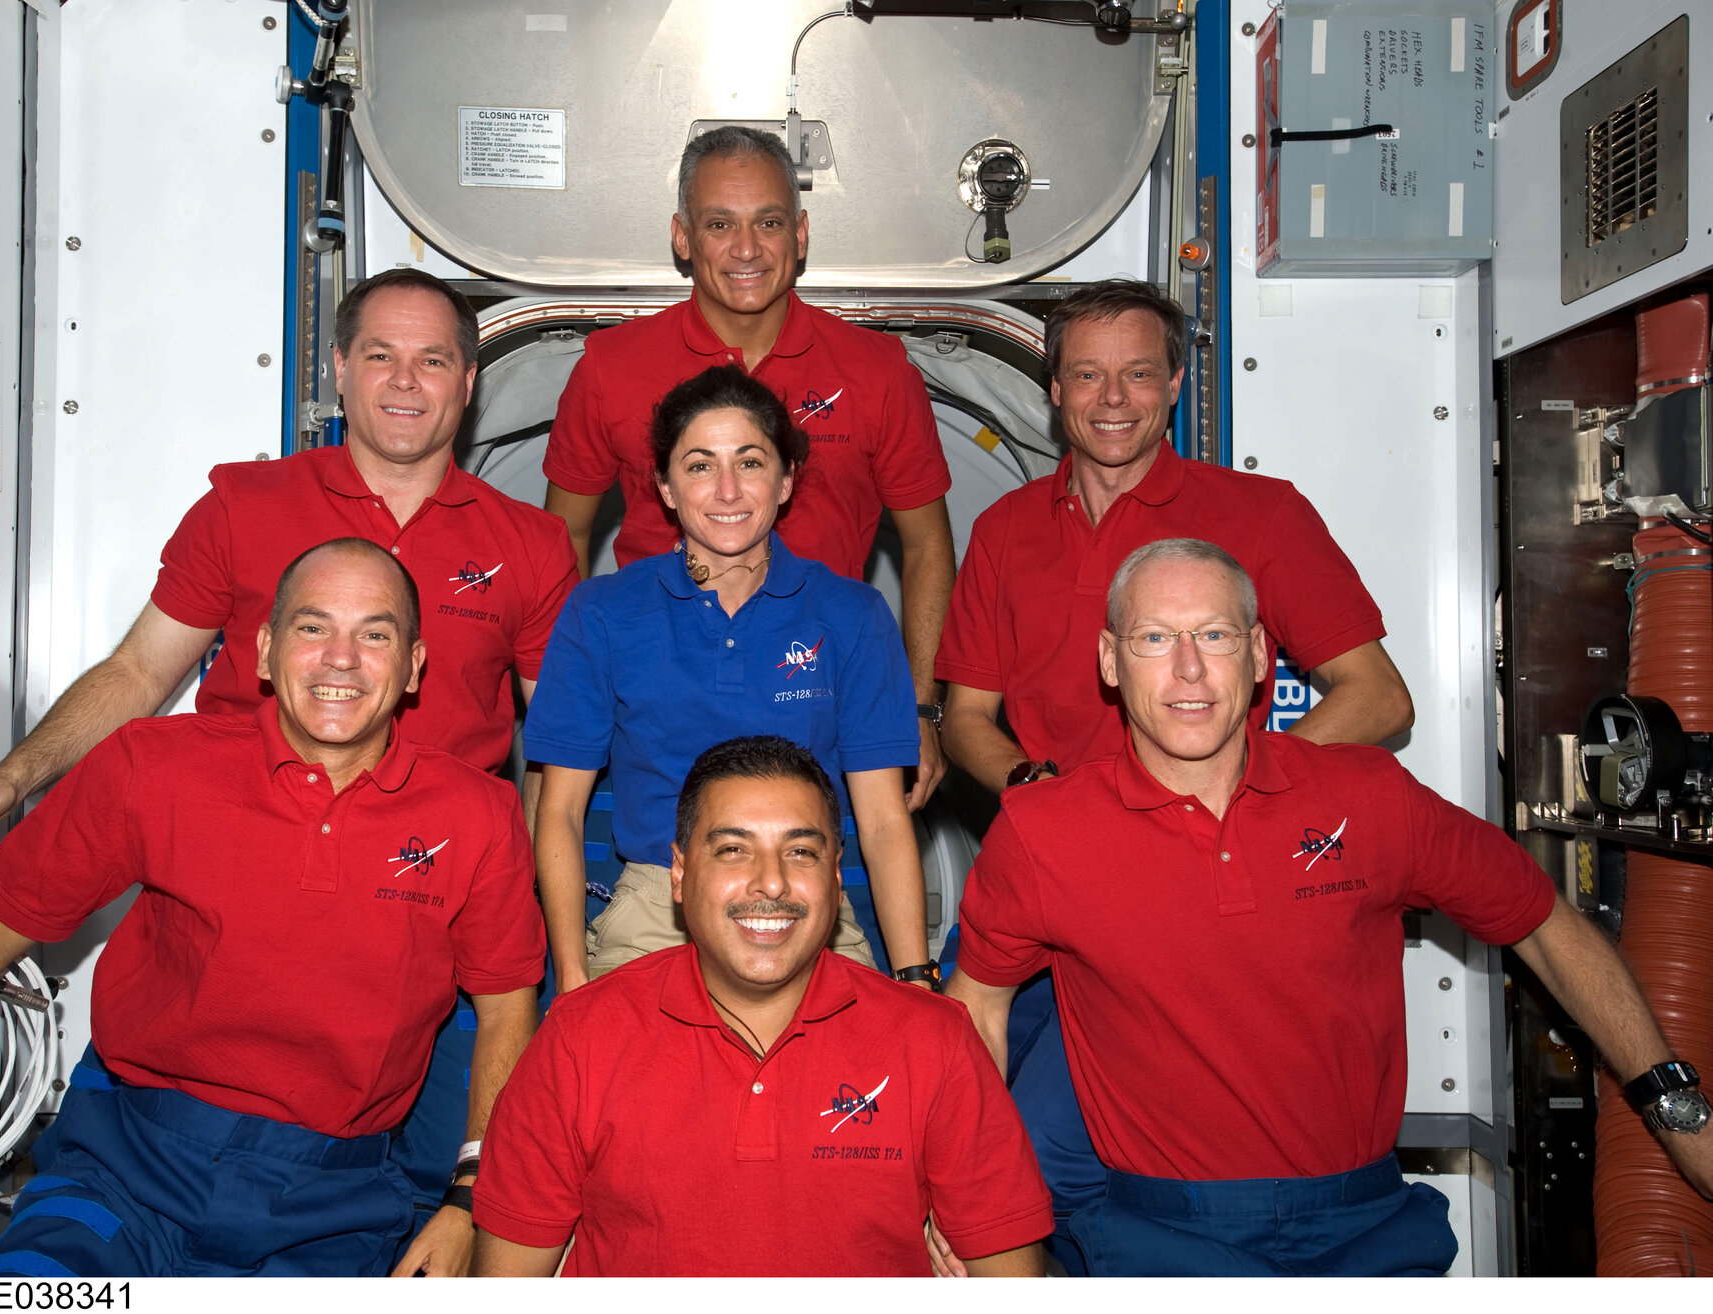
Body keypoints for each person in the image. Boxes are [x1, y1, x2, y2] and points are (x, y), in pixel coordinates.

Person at [0, 267, 579, 1229]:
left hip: (428, 908)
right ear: (339, 371)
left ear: (468, 383)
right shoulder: (245, 506)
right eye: (379, 356)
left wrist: (528, 912)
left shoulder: (531, 546)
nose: (403, 381)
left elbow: (556, 751)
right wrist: (13, 777)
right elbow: (139, 673)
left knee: (445, 1196)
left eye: (433, 360)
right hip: (244, 902)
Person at [942, 539, 1713, 1276]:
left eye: (1213, 634)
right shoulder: (1044, 832)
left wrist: (1678, 1106)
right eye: (1153, 637)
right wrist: (959, 1208)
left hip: (1368, 1228)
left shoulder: (1368, 797)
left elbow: (1545, 925)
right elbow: (977, 1012)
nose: (1188, 668)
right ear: (1111, 662)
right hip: (1160, 1239)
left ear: (1258, 658)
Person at [0, 541, 547, 1277]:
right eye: (312, 626)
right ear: (260, 651)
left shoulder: (478, 815)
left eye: (374, 633)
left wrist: (469, 1203)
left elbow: (508, 1012)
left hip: (332, 1207)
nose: (340, 658)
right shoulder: (151, 766)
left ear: (413, 667)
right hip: (123, 1174)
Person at [933, 277, 1416, 1268]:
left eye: (1139, 374)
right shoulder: (1005, 532)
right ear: (1053, 390)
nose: (1114, 399)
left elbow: (1377, 697)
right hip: (1039, 889)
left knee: (1052, 1157)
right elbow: (968, 720)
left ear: (1179, 382)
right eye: (1088, 376)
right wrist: (1032, 790)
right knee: (967, 1145)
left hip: (1188, 905)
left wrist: (1236, 801)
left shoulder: (1262, 515)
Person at [470, 736, 1052, 1276]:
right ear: (678, 873)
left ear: (835, 874)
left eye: (800, 851)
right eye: (732, 850)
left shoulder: (936, 1040)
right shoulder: (580, 1039)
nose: (770, 882)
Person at [542, 125, 956, 807]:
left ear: (800, 234)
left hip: (828, 700)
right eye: (718, 224)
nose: (745, 249)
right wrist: (570, 695)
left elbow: (927, 544)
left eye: (768, 223)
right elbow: (561, 543)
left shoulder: (877, 372)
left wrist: (916, 708)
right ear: (682, 237)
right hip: (653, 716)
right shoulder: (611, 369)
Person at [525, 367, 931, 994]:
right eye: (698, 466)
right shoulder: (602, 612)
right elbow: (560, 811)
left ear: (786, 479)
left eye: (749, 462)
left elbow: (881, 819)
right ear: (664, 486)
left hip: (803, 897)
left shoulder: (852, 614)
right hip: (660, 903)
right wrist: (573, 978)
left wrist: (915, 976)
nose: (727, 490)